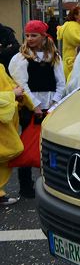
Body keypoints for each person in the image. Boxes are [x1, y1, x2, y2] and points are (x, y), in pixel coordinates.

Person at [9, 20, 65, 199]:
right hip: (31, 108)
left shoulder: (53, 56)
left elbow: (61, 82)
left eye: (34, 35)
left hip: (50, 107)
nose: (30, 39)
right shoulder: (22, 58)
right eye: (27, 35)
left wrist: (54, 103)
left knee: (48, 146)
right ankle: (25, 186)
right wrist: (36, 105)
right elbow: (21, 83)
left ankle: (49, 182)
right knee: (27, 145)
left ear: (43, 36)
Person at [0, 64, 33, 207]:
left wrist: (24, 98)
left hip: (5, 123)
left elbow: (12, 85)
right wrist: (13, 94)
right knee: (12, 149)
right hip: (3, 122)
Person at [57, 6, 80, 82]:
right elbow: (78, 40)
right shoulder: (72, 26)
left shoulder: (77, 25)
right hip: (72, 62)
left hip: (74, 61)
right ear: (75, 15)